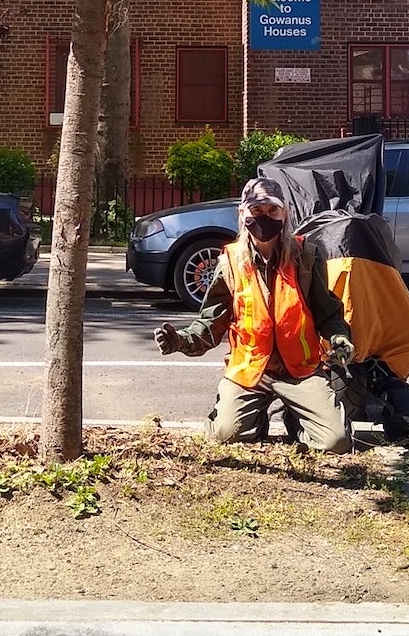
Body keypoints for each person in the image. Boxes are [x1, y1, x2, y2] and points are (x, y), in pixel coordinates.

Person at [152, 177, 357, 453]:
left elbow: (328, 313)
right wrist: (179, 340)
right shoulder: (229, 263)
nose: (264, 218)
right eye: (256, 211)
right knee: (224, 435)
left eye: (272, 211)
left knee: (337, 443)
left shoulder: (307, 256)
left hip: (300, 371)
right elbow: (210, 325)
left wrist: (339, 338)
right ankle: (254, 418)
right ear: (243, 214)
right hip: (250, 372)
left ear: (284, 213)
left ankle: (295, 419)